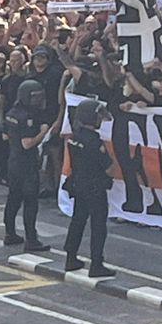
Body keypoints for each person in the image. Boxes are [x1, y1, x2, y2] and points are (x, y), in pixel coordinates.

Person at [61, 101, 114, 276]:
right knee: (98, 225)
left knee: (78, 221)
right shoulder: (94, 141)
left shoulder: (74, 137)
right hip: (94, 186)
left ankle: (70, 258)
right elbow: (109, 168)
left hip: (78, 183)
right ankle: (96, 264)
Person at [2, 79, 48, 250]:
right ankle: (31, 239)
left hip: (13, 160)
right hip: (26, 164)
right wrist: (43, 132)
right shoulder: (28, 116)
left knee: (13, 198)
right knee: (30, 202)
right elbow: (27, 143)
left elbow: (5, 135)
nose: (38, 101)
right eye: (35, 97)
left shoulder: (12, 112)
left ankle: (10, 233)